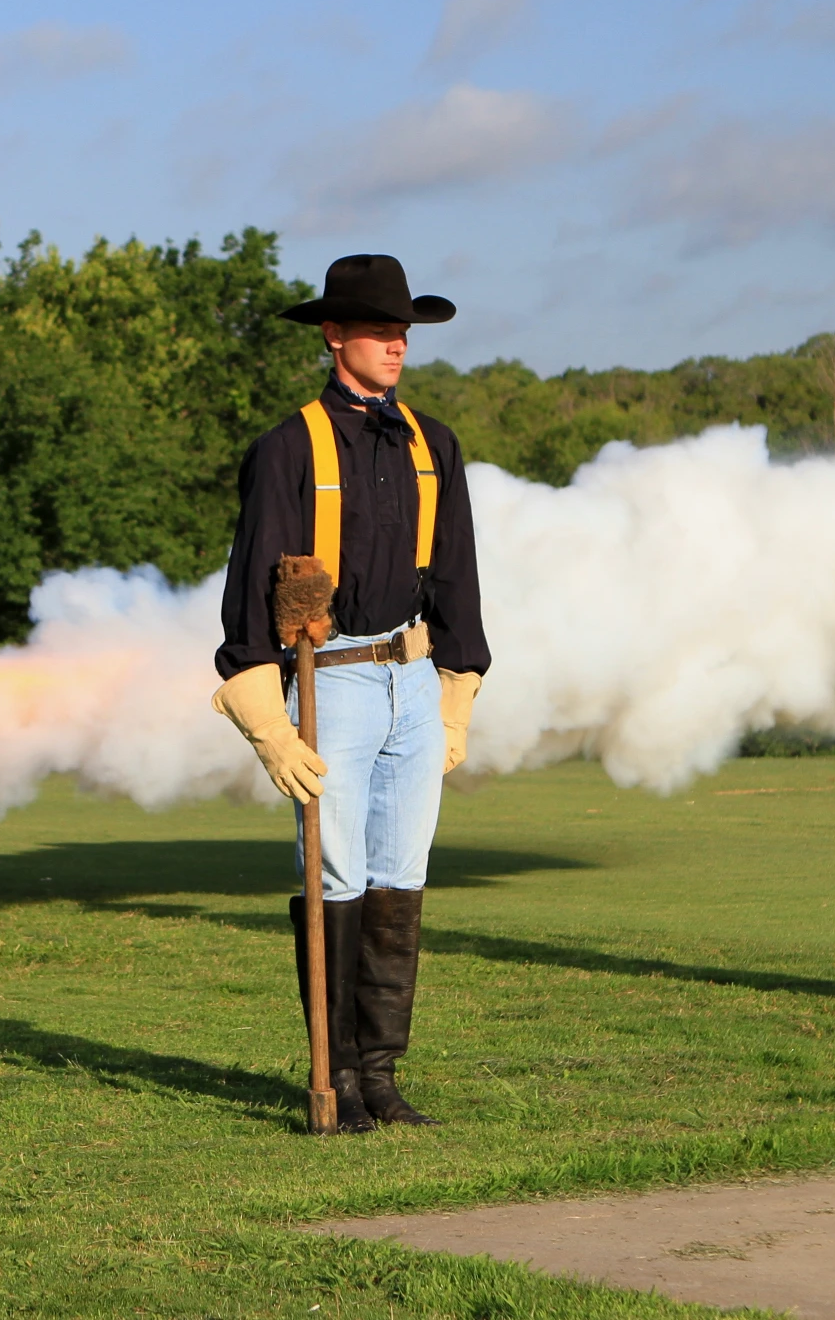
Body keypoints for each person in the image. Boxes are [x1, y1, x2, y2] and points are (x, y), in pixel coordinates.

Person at [210, 254, 491, 1130]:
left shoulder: (432, 442)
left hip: (412, 676)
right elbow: (252, 587)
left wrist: (457, 691)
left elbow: (456, 575)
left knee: (402, 875)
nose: (397, 343)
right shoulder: (288, 447)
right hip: (330, 686)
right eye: (379, 328)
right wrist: (267, 724)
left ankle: (381, 1075)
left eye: (404, 329)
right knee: (335, 875)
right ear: (334, 336)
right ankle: (333, 1075)